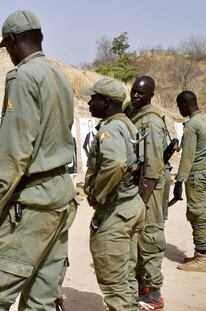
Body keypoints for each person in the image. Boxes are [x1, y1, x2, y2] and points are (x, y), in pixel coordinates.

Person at [0, 10, 78, 310]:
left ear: (13, 41)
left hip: (31, 204)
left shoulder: (22, 76)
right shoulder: (58, 75)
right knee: (41, 300)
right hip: (59, 194)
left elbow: (14, 150)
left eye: (7, 48)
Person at [82, 78, 145, 311]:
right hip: (131, 204)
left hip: (116, 211)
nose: (89, 102)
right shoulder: (128, 124)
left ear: (106, 102)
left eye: (93, 98)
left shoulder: (110, 129)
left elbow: (116, 163)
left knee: (114, 284)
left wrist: (98, 193)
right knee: (127, 277)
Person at [128, 76, 167, 310]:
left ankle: (154, 296)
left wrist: (141, 201)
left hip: (149, 189)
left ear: (151, 95)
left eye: (141, 94)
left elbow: (152, 168)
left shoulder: (150, 122)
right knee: (140, 238)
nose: (135, 96)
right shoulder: (138, 117)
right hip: (141, 187)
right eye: (133, 92)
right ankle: (143, 286)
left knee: (150, 239)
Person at [171, 91, 206, 272]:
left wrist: (179, 182)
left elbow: (188, 157)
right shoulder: (204, 119)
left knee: (197, 214)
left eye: (179, 106)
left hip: (196, 175)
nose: (179, 109)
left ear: (184, 105)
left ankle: (202, 258)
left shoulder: (191, 125)